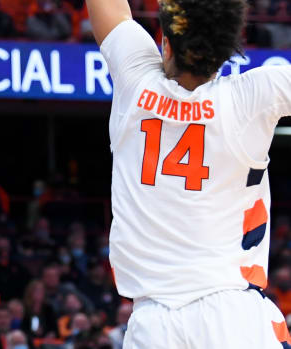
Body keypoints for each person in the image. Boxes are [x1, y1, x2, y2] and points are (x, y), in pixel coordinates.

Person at [85, 0, 291, 347]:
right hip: (232, 314)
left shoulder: (136, 79)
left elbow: (112, 12)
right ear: (226, 53)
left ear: (165, 44)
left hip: (153, 324)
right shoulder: (252, 97)